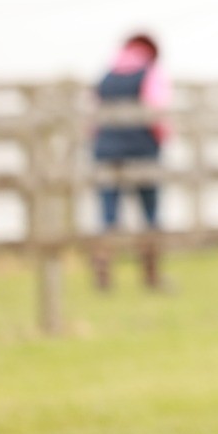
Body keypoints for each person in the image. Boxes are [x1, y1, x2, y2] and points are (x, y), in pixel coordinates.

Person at [91, 33, 172, 290]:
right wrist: (161, 139)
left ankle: (104, 270)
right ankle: (151, 274)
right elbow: (157, 112)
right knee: (149, 213)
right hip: (142, 150)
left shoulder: (105, 77)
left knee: (108, 216)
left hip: (106, 153)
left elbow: (92, 119)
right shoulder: (149, 73)